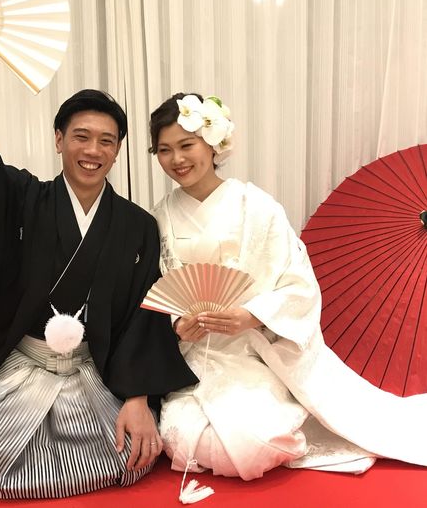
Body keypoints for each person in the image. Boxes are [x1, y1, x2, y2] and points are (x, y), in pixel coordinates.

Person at [0, 6, 197, 499]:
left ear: (118, 151)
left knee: (128, 454)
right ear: (58, 140)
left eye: (106, 141)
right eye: (81, 136)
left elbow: (143, 316)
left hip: (96, 370)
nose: (93, 150)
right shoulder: (25, 198)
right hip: (26, 364)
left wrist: (138, 397)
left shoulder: (137, 226)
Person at [148, 92, 427, 481]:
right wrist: (178, 324)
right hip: (193, 361)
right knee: (187, 441)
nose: (176, 159)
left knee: (254, 443)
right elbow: (154, 293)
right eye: (164, 150)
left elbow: (299, 285)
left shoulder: (256, 206)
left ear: (212, 143)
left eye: (186, 145)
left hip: (253, 353)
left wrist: (251, 315)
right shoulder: (158, 217)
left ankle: (281, 416)